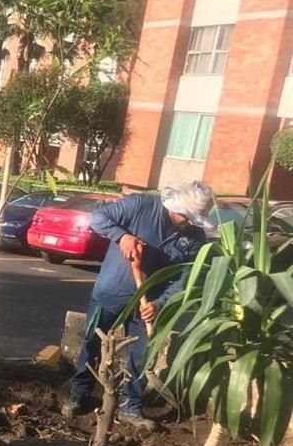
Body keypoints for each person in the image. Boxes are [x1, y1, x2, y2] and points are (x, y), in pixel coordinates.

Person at [62, 180, 214, 430]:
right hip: (112, 291)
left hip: (148, 305)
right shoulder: (140, 205)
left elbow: (183, 278)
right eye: (187, 217)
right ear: (176, 208)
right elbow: (98, 218)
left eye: (194, 220)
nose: (190, 223)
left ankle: (130, 406)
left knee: (141, 355)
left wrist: (160, 303)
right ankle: (79, 394)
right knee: (92, 343)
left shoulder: (194, 237)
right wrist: (122, 236)